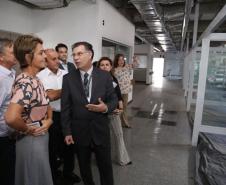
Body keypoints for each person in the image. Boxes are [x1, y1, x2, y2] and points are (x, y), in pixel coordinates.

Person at [61, 41, 118, 185]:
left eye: (79, 54)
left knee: (105, 167)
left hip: (100, 130)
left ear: (90, 54)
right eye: (73, 55)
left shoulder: (105, 76)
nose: (75, 58)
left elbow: (113, 99)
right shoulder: (68, 79)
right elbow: (66, 107)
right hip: (79, 132)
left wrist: (105, 108)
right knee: (84, 167)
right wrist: (67, 132)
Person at [5, 35, 53, 185]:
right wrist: (28, 130)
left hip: (39, 138)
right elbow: (11, 118)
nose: (45, 56)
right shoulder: (25, 82)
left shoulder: (35, 79)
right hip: (31, 141)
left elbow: (46, 102)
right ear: (27, 57)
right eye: (40, 53)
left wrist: (49, 120)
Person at [37, 48, 81, 184]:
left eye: (58, 58)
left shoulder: (66, 73)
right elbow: (50, 96)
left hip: (68, 115)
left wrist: (59, 91)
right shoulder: (40, 77)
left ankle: (68, 172)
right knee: (52, 147)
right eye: (54, 59)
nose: (58, 61)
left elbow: (61, 93)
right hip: (51, 117)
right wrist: (68, 88)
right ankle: (53, 175)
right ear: (46, 60)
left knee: (69, 145)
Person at [97, 57, 132, 166]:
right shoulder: (95, 80)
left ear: (111, 66)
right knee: (101, 138)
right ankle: (101, 160)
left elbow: (118, 95)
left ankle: (123, 159)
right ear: (98, 67)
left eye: (107, 64)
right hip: (100, 113)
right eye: (102, 65)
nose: (105, 67)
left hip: (113, 112)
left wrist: (120, 108)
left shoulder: (113, 78)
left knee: (119, 135)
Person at [0, 38, 17, 185]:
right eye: (12, 52)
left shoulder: (11, 73)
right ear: (1, 56)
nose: (16, 54)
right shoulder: (1, 78)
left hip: (9, 134)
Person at [113, 54, 135, 128]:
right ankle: (117, 124)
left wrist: (135, 60)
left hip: (125, 92)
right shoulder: (114, 69)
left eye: (122, 59)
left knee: (124, 108)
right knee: (118, 108)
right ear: (116, 60)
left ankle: (125, 123)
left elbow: (136, 65)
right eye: (119, 59)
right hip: (117, 93)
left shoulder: (127, 67)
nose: (121, 61)